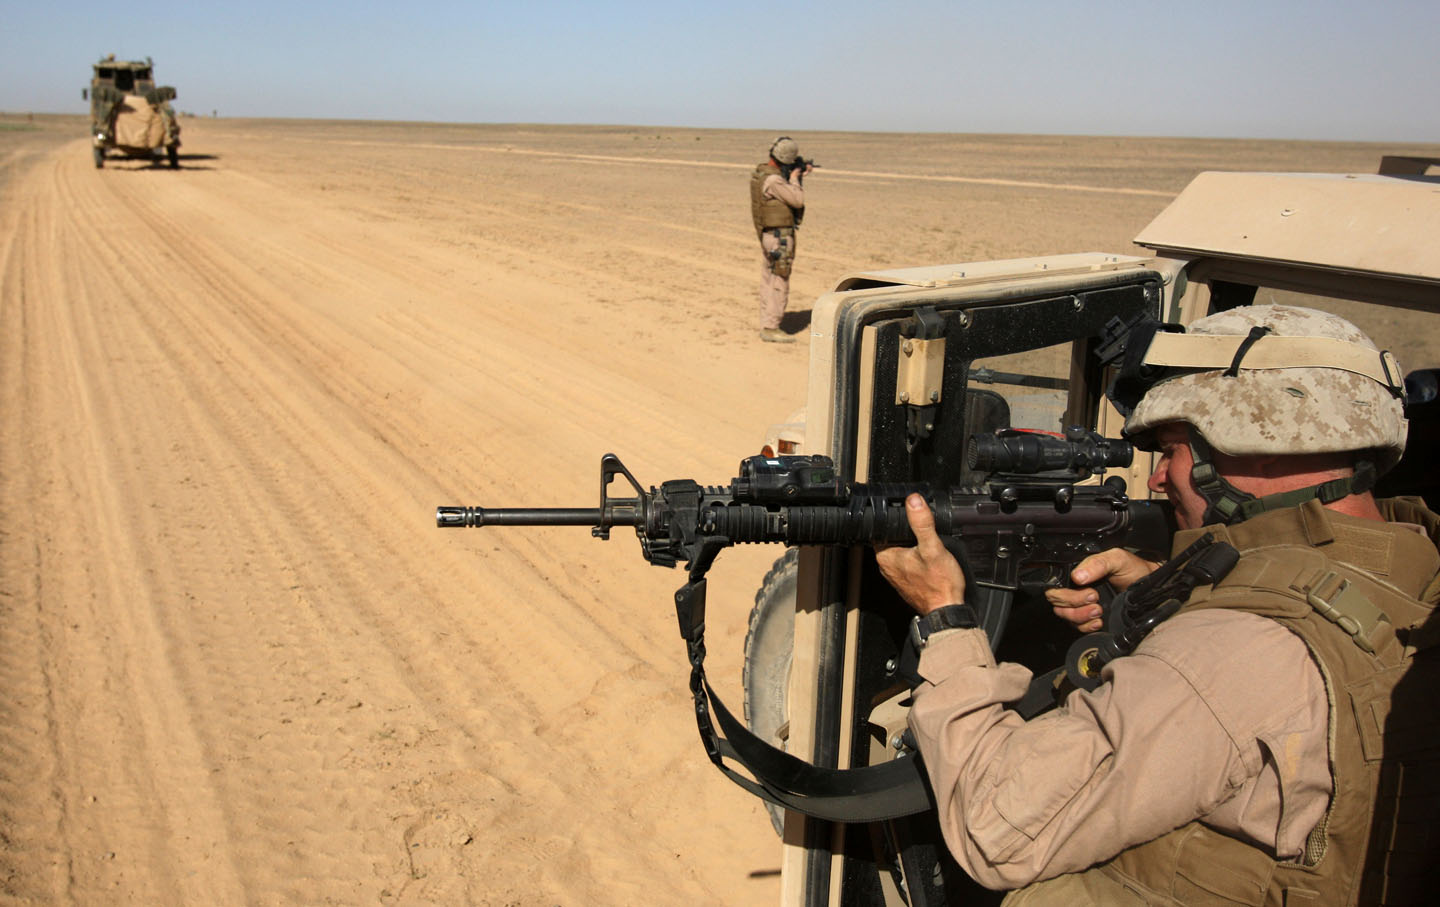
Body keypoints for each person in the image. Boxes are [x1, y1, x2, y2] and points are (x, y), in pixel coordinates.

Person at [875, 305, 1439, 904]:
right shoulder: (1411, 565)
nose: (1156, 479)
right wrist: (1168, 590)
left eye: (1172, 449)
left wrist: (945, 618)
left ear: (1262, 444)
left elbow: (997, 829)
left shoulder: (1235, 652)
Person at [751, 136, 811, 343]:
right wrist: (795, 178)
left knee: (769, 279)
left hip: (770, 236)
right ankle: (771, 327)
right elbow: (797, 199)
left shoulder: (763, 174)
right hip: (779, 238)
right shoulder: (774, 180)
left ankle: (767, 322)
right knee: (779, 280)